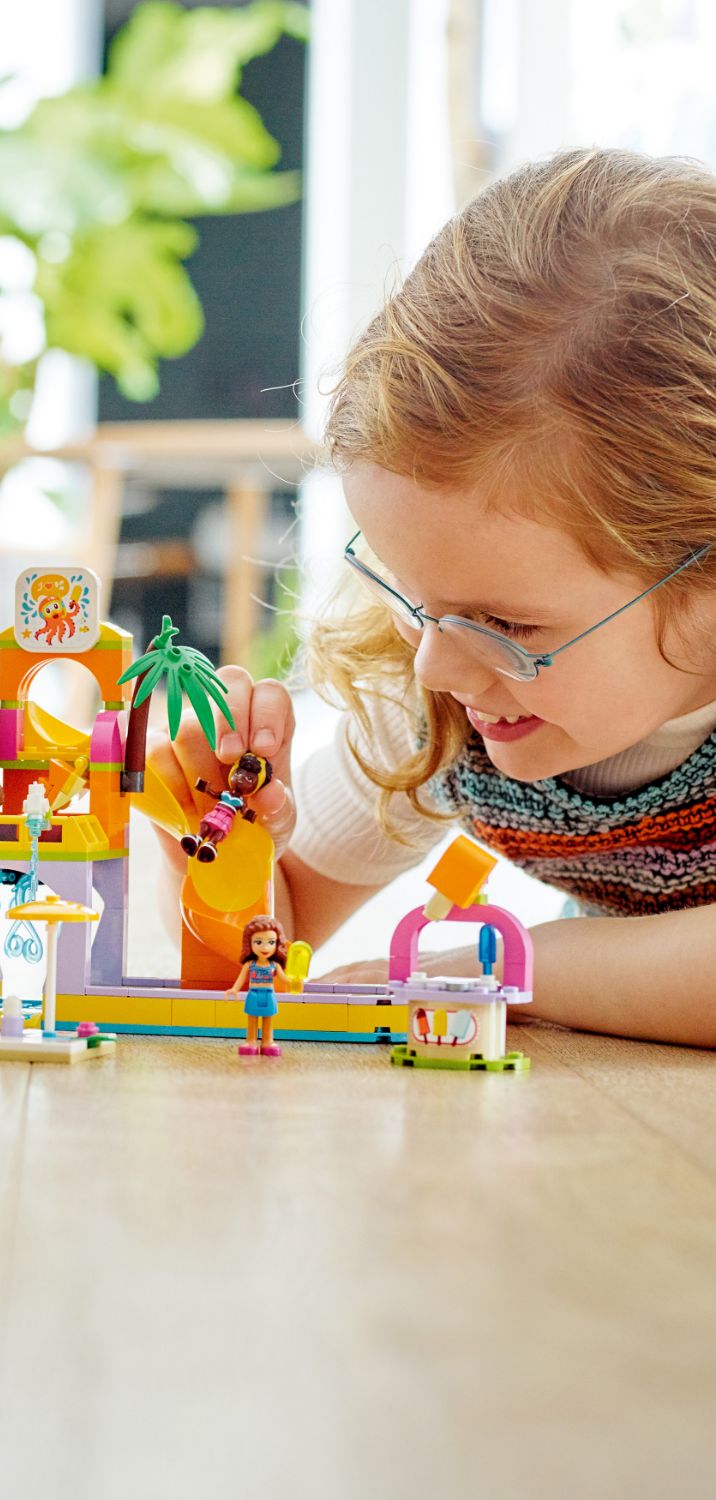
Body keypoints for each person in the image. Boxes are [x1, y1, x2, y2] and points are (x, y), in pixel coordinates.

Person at [155, 149, 716, 1049]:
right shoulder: (439, 704)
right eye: (411, 596)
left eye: (509, 624)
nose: (435, 665)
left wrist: (496, 971)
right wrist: (225, 845)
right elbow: (269, 947)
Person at [227, 915, 289, 1058]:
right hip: (253, 994)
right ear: (249, 943)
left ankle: (267, 1041)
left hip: (268, 994)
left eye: (271, 942)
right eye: (258, 942)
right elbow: (241, 978)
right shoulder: (250, 964)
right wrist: (234, 989)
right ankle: (251, 1041)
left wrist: (294, 982)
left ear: (277, 943)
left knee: (268, 1019)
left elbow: (284, 979)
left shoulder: (275, 965)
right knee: (252, 1019)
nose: (265, 947)